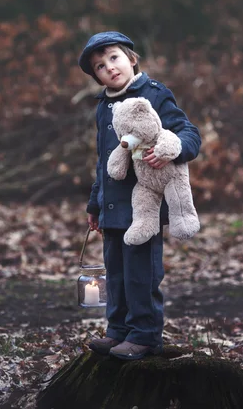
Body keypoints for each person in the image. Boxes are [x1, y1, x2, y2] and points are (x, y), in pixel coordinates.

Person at [78, 31, 201, 361]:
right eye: (100, 66)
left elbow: (189, 134)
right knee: (115, 272)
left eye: (114, 58)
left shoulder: (155, 94)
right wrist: (94, 204)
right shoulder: (103, 109)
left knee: (140, 274)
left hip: (144, 203)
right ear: (96, 76)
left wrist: (169, 152)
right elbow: (104, 160)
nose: (110, 68)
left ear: (132, 58)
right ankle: (118, 329)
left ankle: (145, 335)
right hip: (112, 205)